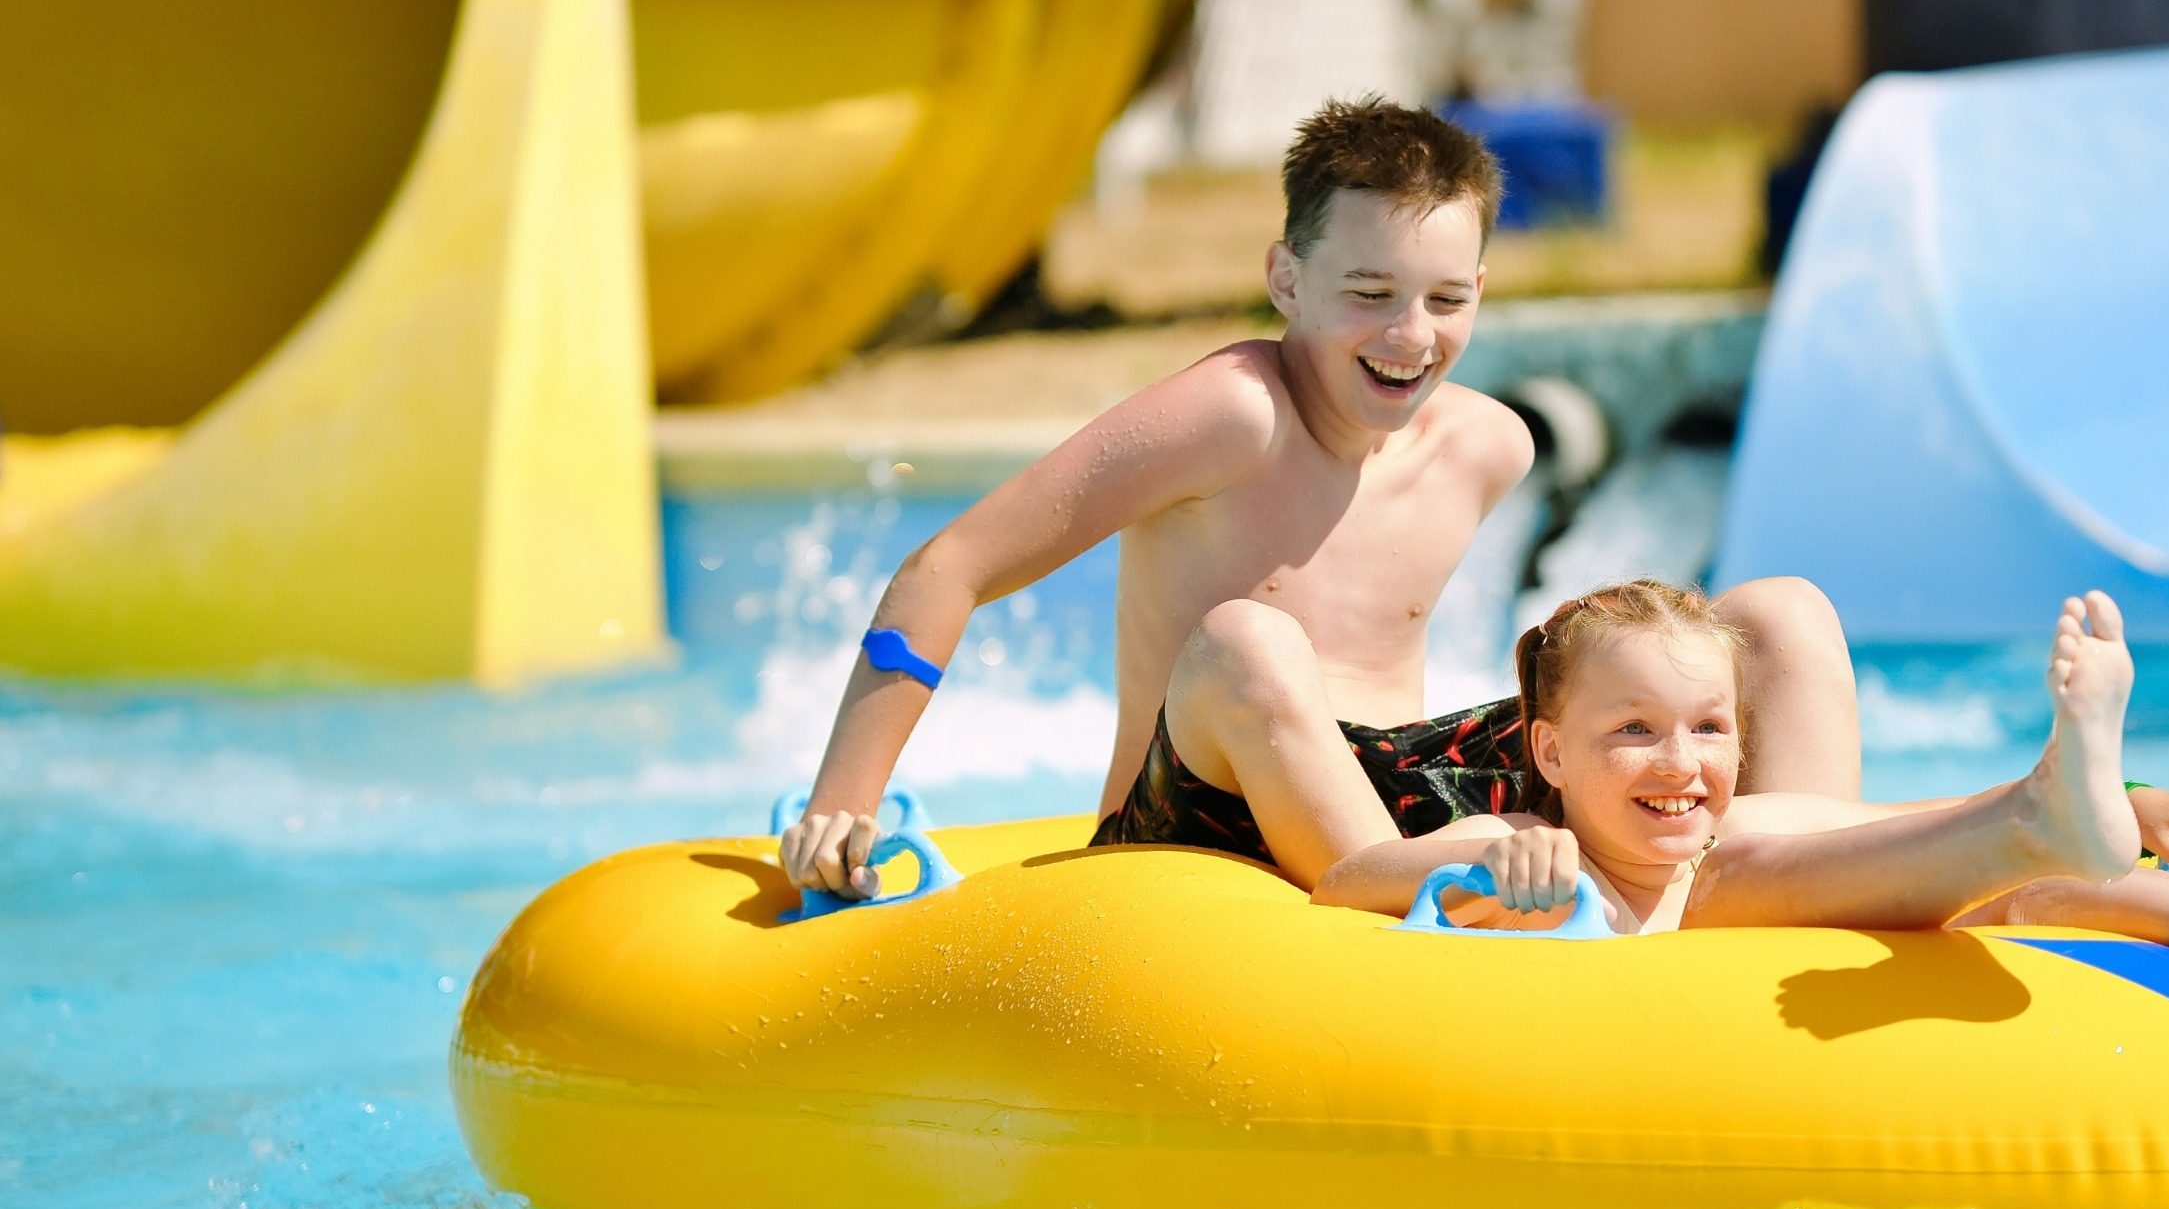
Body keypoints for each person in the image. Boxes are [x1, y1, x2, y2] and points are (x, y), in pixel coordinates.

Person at [781, 97, 2002, 898]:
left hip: (1403, 791)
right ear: (1286, 279)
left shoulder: (1488, 445)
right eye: (1368, 293)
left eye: (1446, 299)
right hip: (1200, 820)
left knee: (1777, 617)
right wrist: (845, 806)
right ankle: (1390, 884)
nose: (1410, 338)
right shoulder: (1232, 418)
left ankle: (1878, 868)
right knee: (1252, 642)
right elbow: (951, 566)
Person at [1316, 581, 2169, 1007]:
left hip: (1797, 905)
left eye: (1711, 728)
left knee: (1981, 887)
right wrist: (1501, 865)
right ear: (1552, 755)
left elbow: (1890, 831)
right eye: (1634, 733)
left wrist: (2119, 800)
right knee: (1773, 851)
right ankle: (2043, 815)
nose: (1681, 762)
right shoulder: (1527, 838)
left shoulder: (1730, 824)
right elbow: (1349, 879)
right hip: (1654, 982)